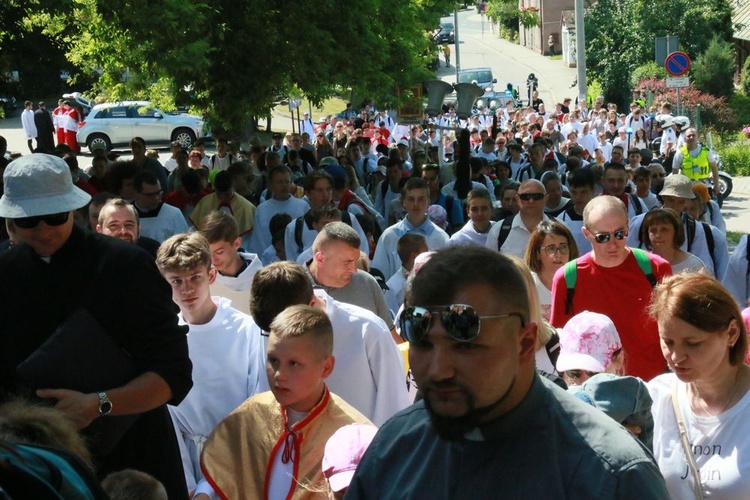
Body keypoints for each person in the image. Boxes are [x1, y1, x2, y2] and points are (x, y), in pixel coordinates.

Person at [346, 246, 669, 498]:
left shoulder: (610, 474)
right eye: (423, 341)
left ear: (526, 343)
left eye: (465, 344)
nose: (439, 369)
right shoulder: (395, 448)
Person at [0, 154, 192, 497]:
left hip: (133, 458)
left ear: (73, 211)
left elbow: (174, 373)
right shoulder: (4, 274)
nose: (43, 230)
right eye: (29, 221)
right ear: (10, 222)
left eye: (54, 217)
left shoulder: (126, 265)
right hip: (38, 467)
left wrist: (99, 403)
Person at [199, 305, 371, 499]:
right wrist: (202, 494)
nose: (279, 375)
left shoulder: (351, 433)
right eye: (273, 360)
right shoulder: (250, 415)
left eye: (294, 363)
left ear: (326, 367)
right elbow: (220, 475)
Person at [156, 233, 267, 497]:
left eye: (195, 278)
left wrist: (212, 486)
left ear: (211, 276)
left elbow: (258, 405)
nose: (187, 290)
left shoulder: (247, 330)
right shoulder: (165, 341)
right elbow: (169, 422)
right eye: (176, 281)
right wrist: (192, 487)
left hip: (241, 458)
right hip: (189, 465)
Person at [647, 273, 750, 499]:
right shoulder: (654, 396)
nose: (676, 357)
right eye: (668, 341)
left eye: (693, 343)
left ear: (731, 333)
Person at [550, 195, 672, 381]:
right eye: (603, 237)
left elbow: (674, 329)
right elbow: (561, 343)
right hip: (594, 391)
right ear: (586, 234)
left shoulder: (656, 269)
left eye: (620, 234)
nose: (613, 243)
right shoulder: (567, 278)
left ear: (628, 226)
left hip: (652, 387)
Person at [372, 178, 449, 281]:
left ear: (428, 202)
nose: (416, 204)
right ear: (403, 202)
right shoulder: (389, 236)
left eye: (421, 199)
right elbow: (380, 273)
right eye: (411, 199)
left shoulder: (441, 237)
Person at [485, 179, 555, 259]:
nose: (531, 201)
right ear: (518, 199)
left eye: (537, 197)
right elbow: (489, 266)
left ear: (546, 199)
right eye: (525, 197)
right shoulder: (498, 230)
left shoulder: (560, 228)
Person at [198, 210, 262, 294]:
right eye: (208, 253)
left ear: (236, 243)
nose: (213, 260)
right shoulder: (204, 278)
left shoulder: (260, 279)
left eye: (219, 252)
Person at [525, 220, 579, 321]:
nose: (558, 254)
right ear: (537, 254)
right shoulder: (527, 285)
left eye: (563, 247)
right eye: (551, 248)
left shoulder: (580, 282)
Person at [556, 311, 625, 388]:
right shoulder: (563, 398)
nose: (584, 381)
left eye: (593, 372)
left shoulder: (636, 398)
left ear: (619, 359)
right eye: (574, 372)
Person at [639, 208, 707, 274]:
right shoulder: (640, 263)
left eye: (664, 230)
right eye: (653, 230)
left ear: (676, 232)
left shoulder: (694, 265)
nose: (658, 235)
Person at [96, 197, 161, 257]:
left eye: (129, 225)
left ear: (138, 229)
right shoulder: (89, 259)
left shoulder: (153, 253)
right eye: (114, 225)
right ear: (99, 230)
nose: (123, 231)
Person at [672, 127, 720, 195]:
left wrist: (717, 185)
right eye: (689, 136)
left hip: (705, 186)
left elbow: (714, 168)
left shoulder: (706, 151)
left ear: (698, 138)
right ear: (685, 139)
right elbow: (675, 171)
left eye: (693, 135)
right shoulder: (680, 153)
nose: (691, 137)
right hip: (687, 187)